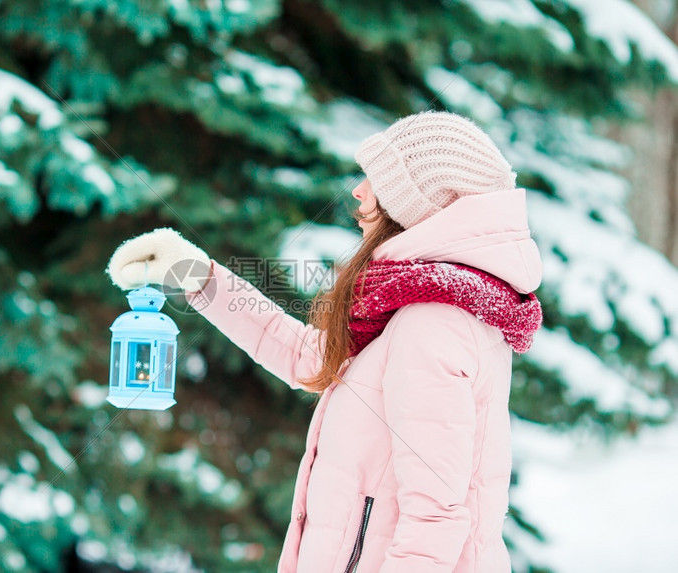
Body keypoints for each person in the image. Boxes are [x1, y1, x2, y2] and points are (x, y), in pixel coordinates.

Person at [106, 111, 543, 573]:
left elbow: (435, 518)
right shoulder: (413, 306)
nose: (358, 191)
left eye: (377, 179)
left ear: (415, 205)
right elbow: (309, 357)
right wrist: (196, 275)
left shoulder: (432, 323)